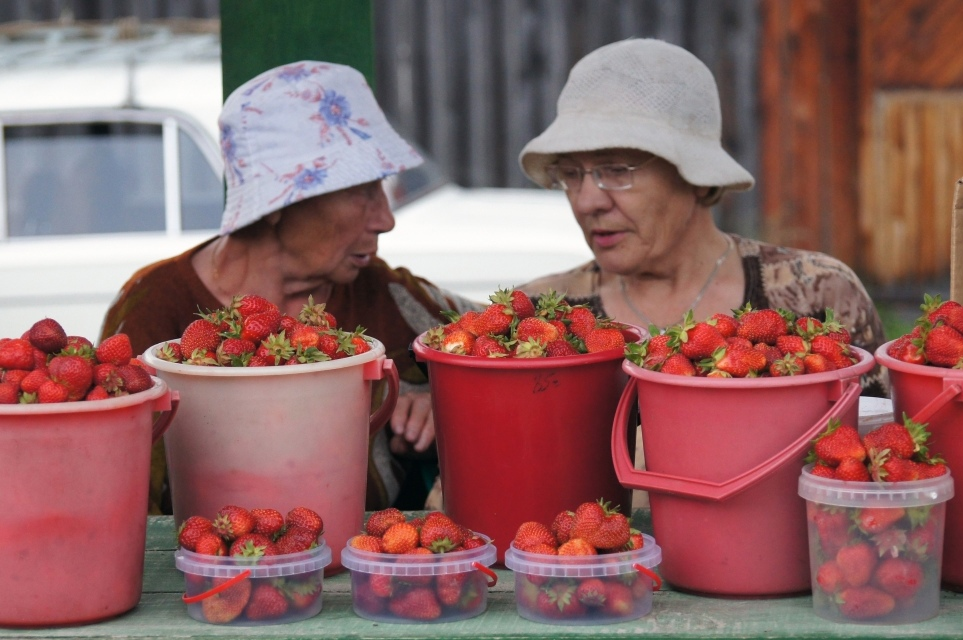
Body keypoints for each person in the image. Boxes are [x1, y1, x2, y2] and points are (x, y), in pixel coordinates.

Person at [101, 61, 480, 514]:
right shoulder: (153, 310)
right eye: (362, 192)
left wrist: (446, 406)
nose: (386, 219)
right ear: (280, 202)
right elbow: (113, 486)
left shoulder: (384, 293)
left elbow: (516, 344)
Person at [517, 38, 887, 396]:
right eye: (571, 174)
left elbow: (876, 443)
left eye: (615, 170)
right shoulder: (541, 318)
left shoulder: (818, 293)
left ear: (695, 177)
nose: (586, 202)